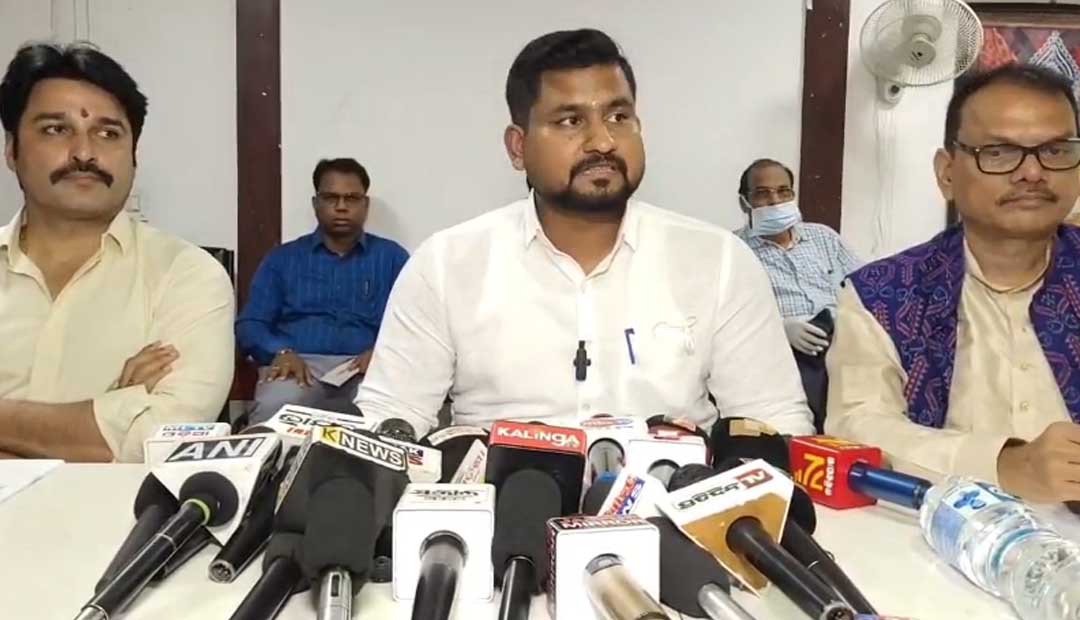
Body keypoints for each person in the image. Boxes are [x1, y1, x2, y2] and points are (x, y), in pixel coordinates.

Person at [356, 29, 813, 437]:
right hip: (503, 498)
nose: (603, 141)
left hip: (674, 499)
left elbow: (772, 419)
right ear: (518, 147)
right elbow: (390, 417)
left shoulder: (720, 261)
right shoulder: (446, 264)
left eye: (618, 117)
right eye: (570, 121)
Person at [826, 64, 1080, 503]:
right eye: (999, 152)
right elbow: (857, 426)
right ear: (947, 173)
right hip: (941, 529)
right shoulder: (883, 295)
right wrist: (1003, 464)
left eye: (1056, 151)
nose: (1033, 173)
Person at [0, 43, 234, 462]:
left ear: (134, 156)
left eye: (108, 133)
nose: (84, 153)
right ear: (11, 150)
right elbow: (128, 440)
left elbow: (163, 440)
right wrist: (110, 413)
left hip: (121, 509)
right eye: (56, 129)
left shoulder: (186, 276)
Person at [236, 158, 408, 423]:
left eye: (351, 198)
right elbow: (251, 324)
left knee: (387, 414)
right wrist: (280, 352)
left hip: (367, 368)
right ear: (316, 203)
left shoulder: (392, 258)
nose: (341, 207)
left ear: (365, 205)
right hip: (299, 366)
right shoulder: (283, 259)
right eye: (331, 198)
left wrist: (383, 353)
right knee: (277, 406)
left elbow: (415, 324)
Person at [735, 159, 860, 430]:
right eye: (763, 193)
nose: (775, 200)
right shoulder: (735, 250)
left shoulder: (824, 238)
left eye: (783, 191)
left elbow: (866, 288)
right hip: (781, 358)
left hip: (840, 347)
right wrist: (779, 328)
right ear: (744, 202)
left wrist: (847, 318)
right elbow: (727, 319)